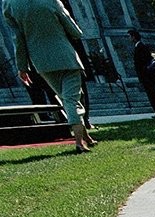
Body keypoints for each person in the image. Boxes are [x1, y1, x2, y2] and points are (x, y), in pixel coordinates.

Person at [3, 0, 94, 152]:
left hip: (41, 62)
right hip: (65, 57)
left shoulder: (10, 5)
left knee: (68, 98)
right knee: (72, 99)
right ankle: (79, 142)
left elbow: (18, 39)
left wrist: (22, 67)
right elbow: (74, 31)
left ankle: (86, 137)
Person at [127, 29, 155, 117]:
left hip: (147, 76)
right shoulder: (138, 47)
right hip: (145, 75)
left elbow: (145, 61)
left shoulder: (141, 47)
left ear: (133, 37)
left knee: (153, 94)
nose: (128, 38)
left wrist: (144, 73)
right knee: (151, 94)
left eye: (129, 36)